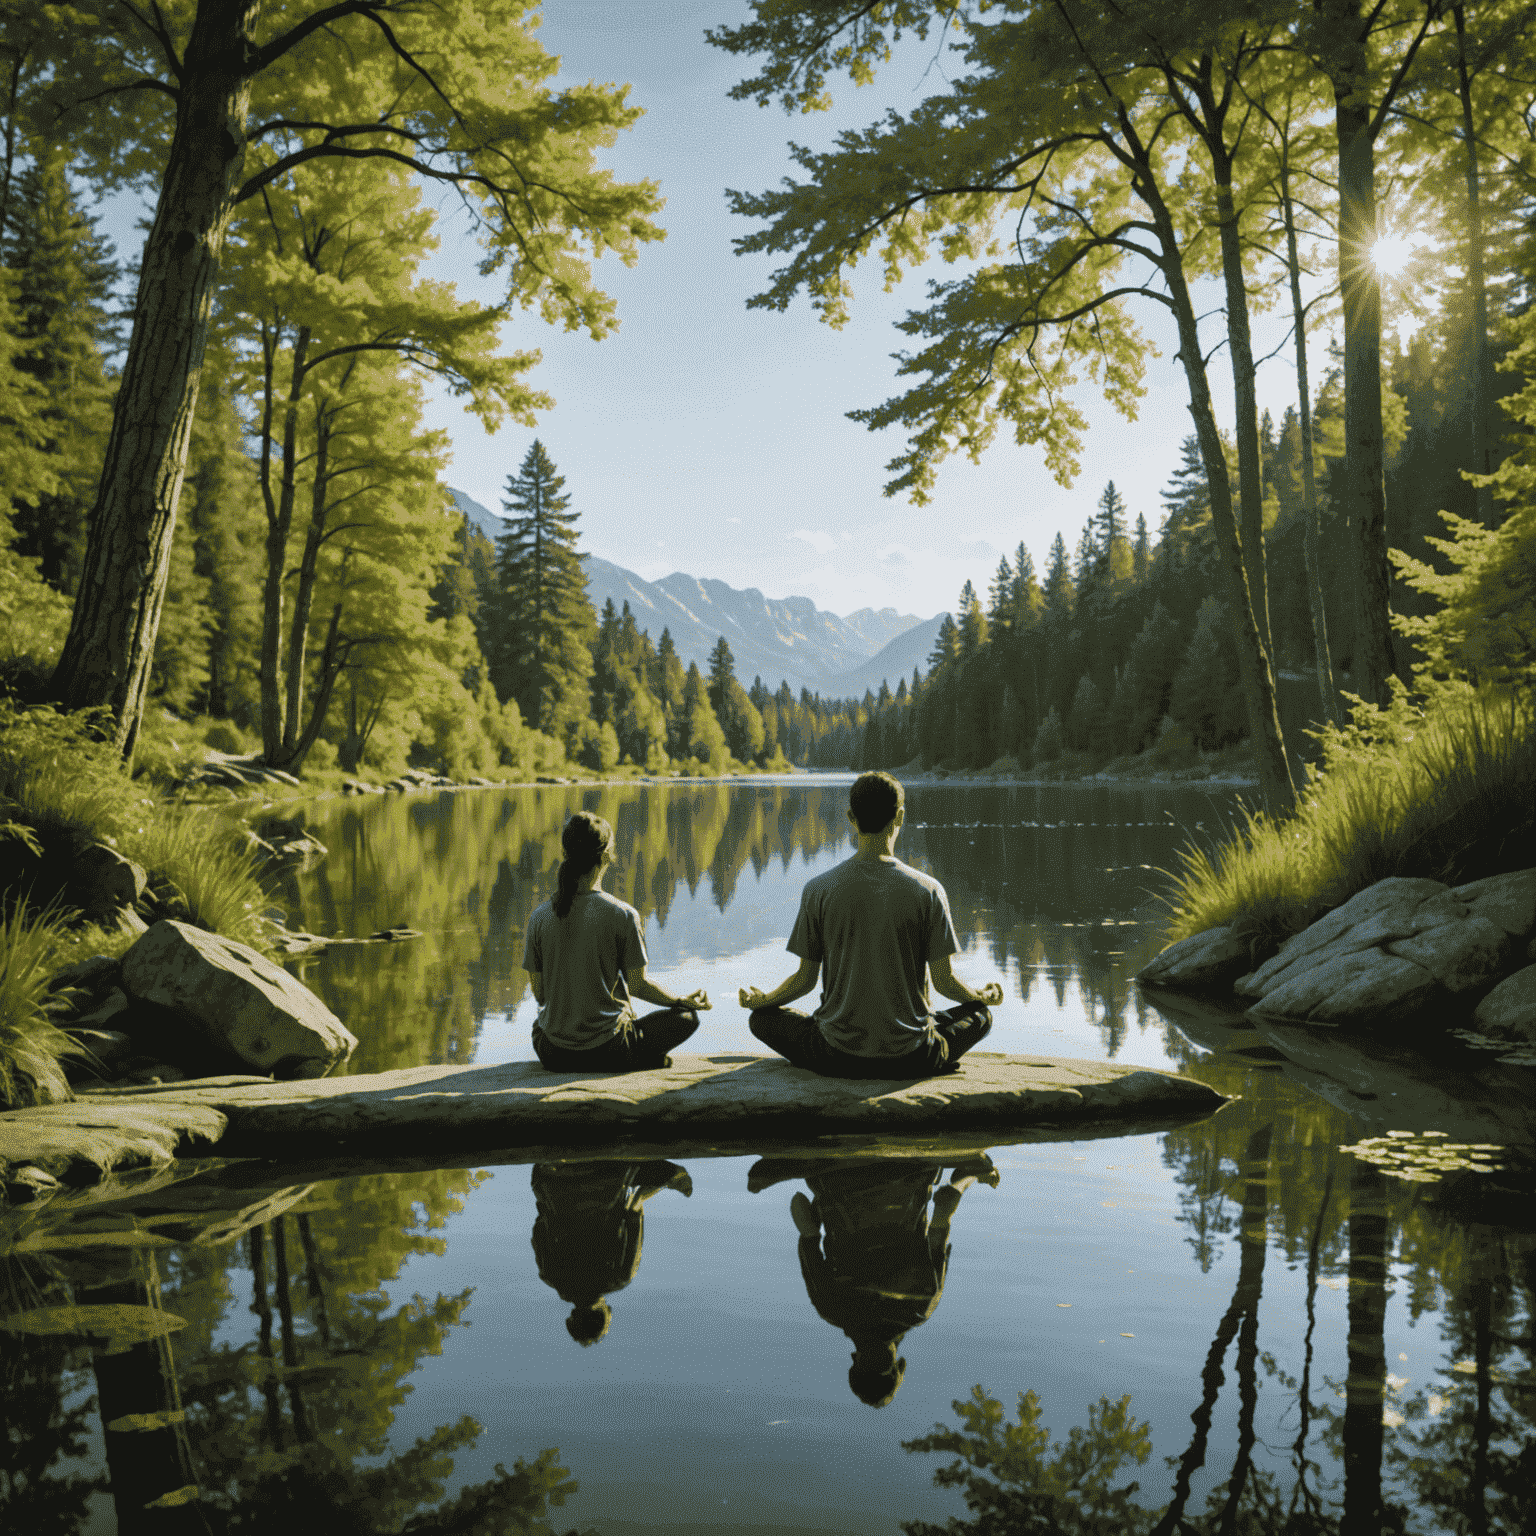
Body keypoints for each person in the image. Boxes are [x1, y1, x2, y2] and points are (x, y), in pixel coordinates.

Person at [738, 771, 1002, 1077]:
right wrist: (979, 997)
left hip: (834, 1055)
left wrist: (764, 1000)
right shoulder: (928, 890)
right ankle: (933, 1054)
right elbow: (945, 982)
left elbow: (804, 981)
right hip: (914, 1057)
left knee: (761, 1019)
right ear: (900, 817)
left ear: (852, 817)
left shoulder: (819, 889)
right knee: (980, 1015)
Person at [748, 1154, 998, 1406]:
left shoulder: (920, 1307)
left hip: (912, 1171)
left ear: (900, 1365)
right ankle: (791, 1165)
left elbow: (942, 1214)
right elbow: (803, 1217)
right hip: (836, 1175)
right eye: (878, 1368)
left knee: (977, 1166)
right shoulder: (832, 1307)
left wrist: (970, 1178)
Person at [524, 810, 709, 1072]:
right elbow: (638, 986)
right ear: (607, 855)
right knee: (686, 1017)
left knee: (540, 1024)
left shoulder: (539, 917)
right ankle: (634, 1059)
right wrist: (679, 1001)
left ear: (565, 853)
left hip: (553, 1053)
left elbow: (540, 995)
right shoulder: (622, 914)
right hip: (612, 1048)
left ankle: (629, 1059)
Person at [530, 1159, 693, 1345]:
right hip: (550, 1176)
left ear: (602, 1313)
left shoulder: (620, 1277)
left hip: (609, 1171)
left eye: (608, 1318)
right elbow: (539, 1226)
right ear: (572, 1316)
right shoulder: (550, 1276)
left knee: (671, 1173)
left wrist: (665, 1183)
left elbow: (634, 1207)